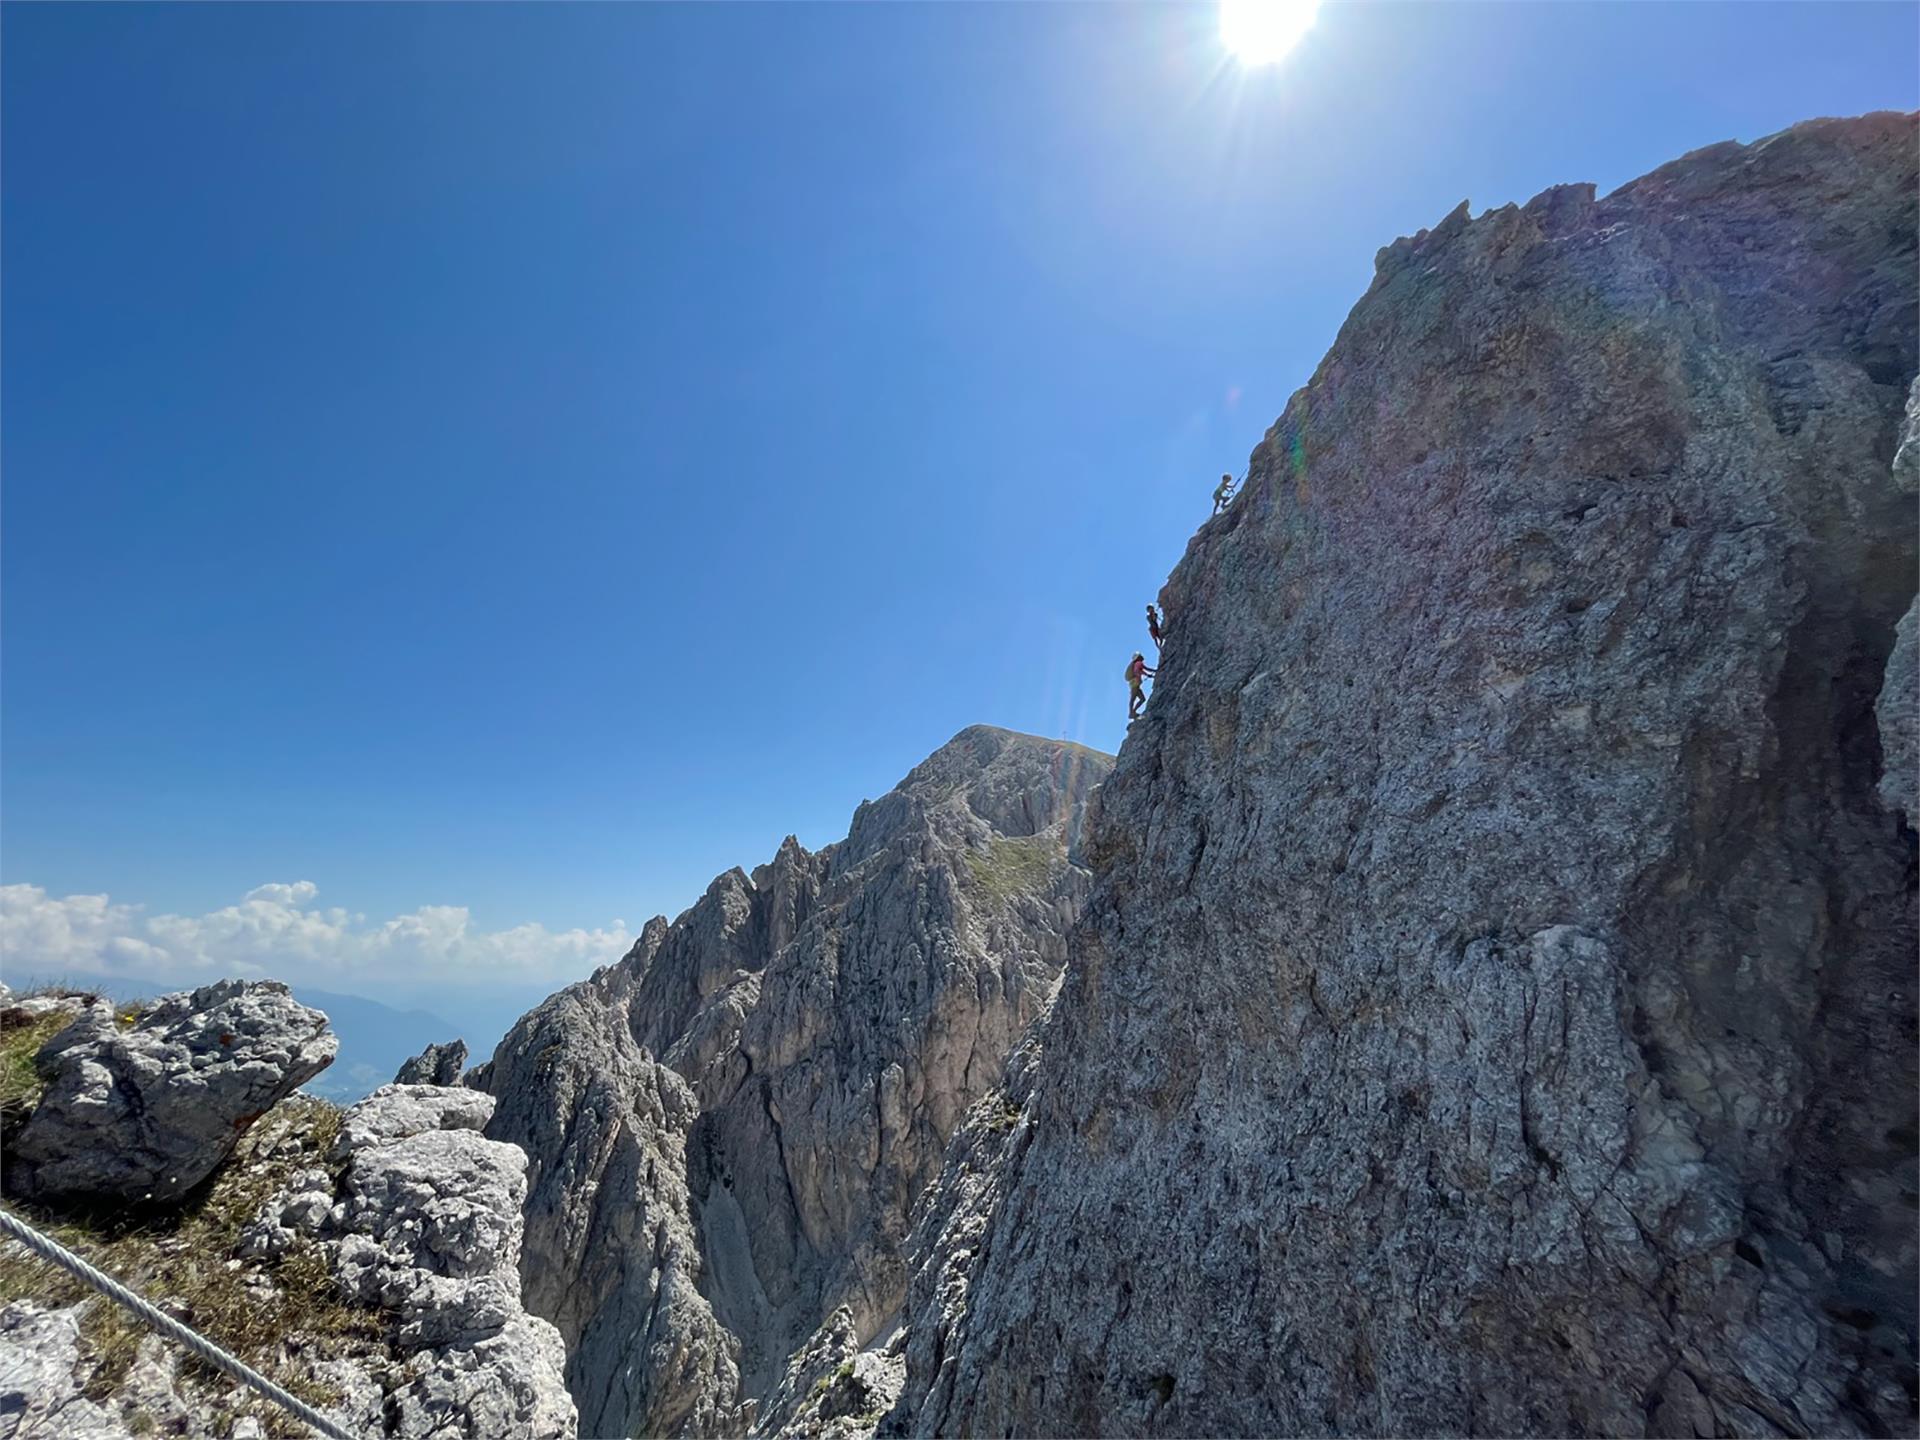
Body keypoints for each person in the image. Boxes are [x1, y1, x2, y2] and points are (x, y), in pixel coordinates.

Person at [1126, 652, 1157, 721]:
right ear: (1138, 658)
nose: (1142, 657)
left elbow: (1141, 670)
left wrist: (1148, 674)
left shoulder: (1136, 664)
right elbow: (1142, 670)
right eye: (1140, 656)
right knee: (1133, 698)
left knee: (1142, 699)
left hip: (1134, 683)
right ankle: (1131, 713)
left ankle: (1132, 712)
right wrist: (1154, 671)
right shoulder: (1139, 663)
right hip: (1135, 683)